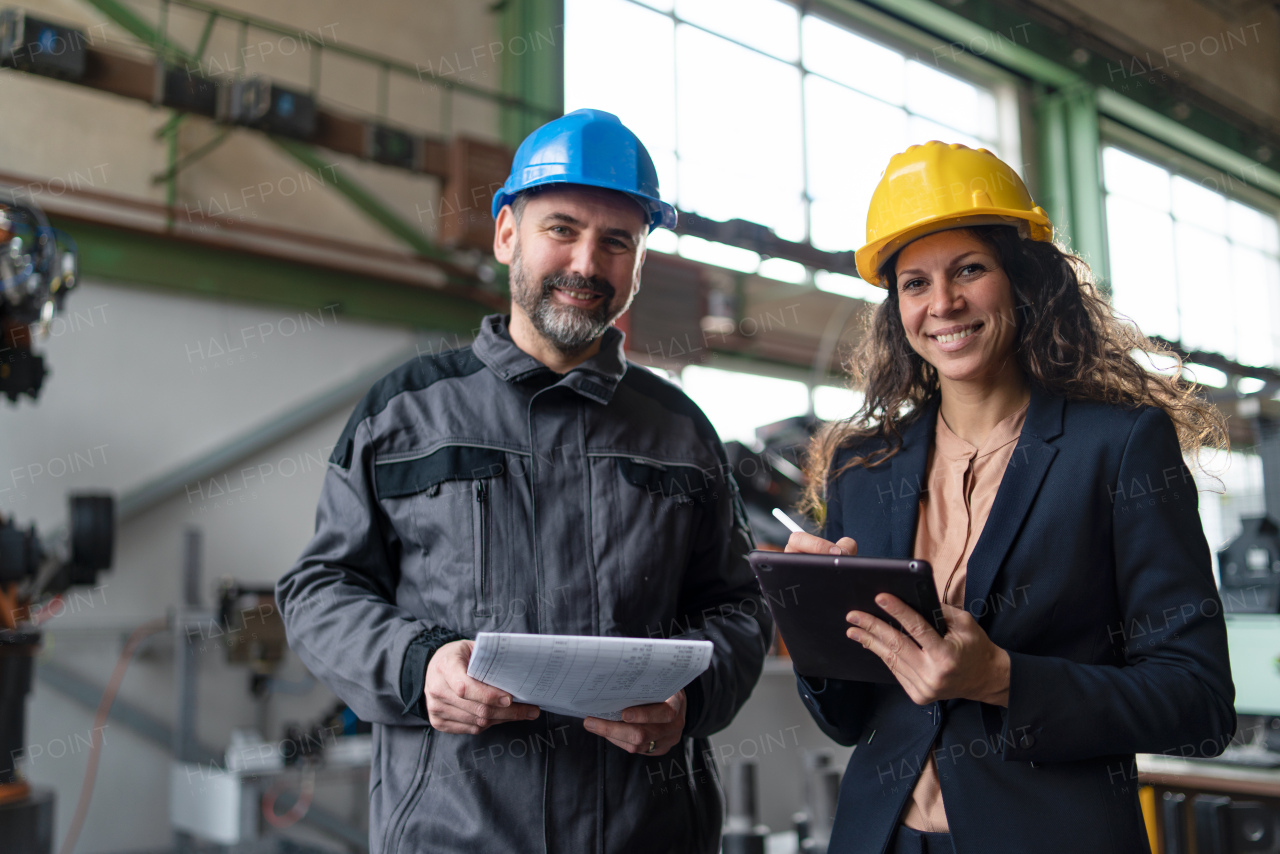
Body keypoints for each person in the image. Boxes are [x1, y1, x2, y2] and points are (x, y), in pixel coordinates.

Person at [275, 108, 770, 854]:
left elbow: (738, 607)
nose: (585, 264)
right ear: (508, 232)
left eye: (616, 242)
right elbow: (320, 591)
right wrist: (419, 665)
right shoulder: (406, 412)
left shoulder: (682, 431)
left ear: (638, 264)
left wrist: (691, 698)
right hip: (455, 833)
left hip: (648, 833)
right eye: (562, 229)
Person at [787, 141, 1236, 854]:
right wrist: (812, 618)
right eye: (914, 283)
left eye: (970, 270)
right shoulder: (864, 469)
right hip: (882, 838)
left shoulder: (1117, 450)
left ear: (1023, 282)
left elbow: (1198, 703)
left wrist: (1001, 678)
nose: (943, 304)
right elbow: (847, 718)